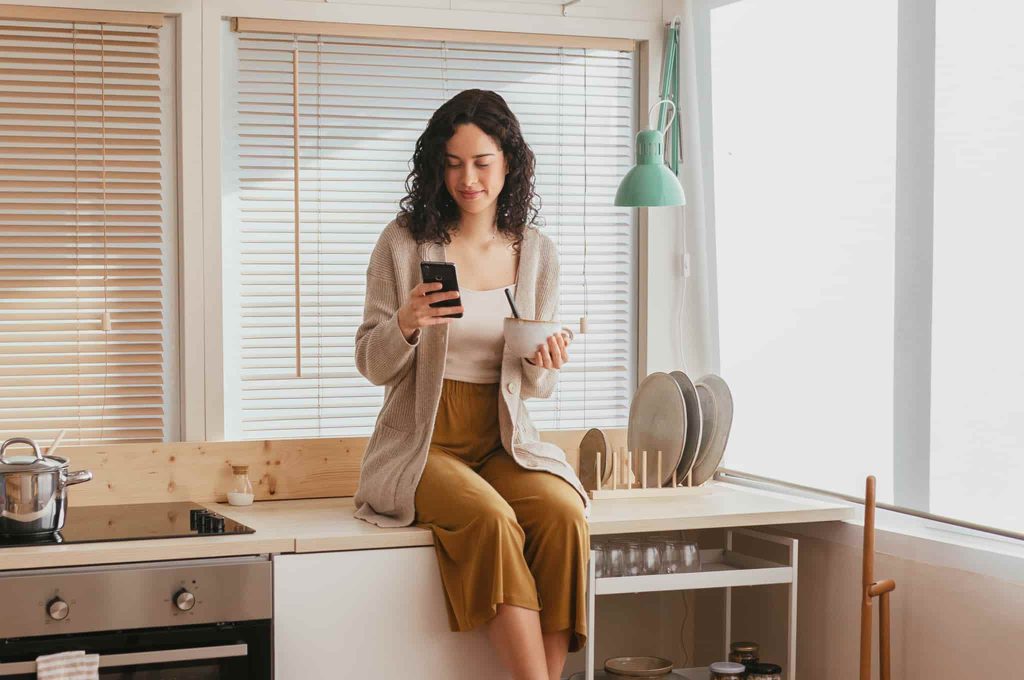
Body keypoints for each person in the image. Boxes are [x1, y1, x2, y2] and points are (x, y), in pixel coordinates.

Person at [353, 89, 590, 680]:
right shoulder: (405, 243)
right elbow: (370, 362)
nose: (468, 178)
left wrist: (545, 361)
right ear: (437, 165)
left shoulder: (535, 253)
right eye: (453, 162)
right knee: (490, 518)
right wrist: (405, 323)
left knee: (563, 513)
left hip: (505, 441)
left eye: (482, 162)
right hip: (423, 443)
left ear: (509, 164)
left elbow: (533, 391)